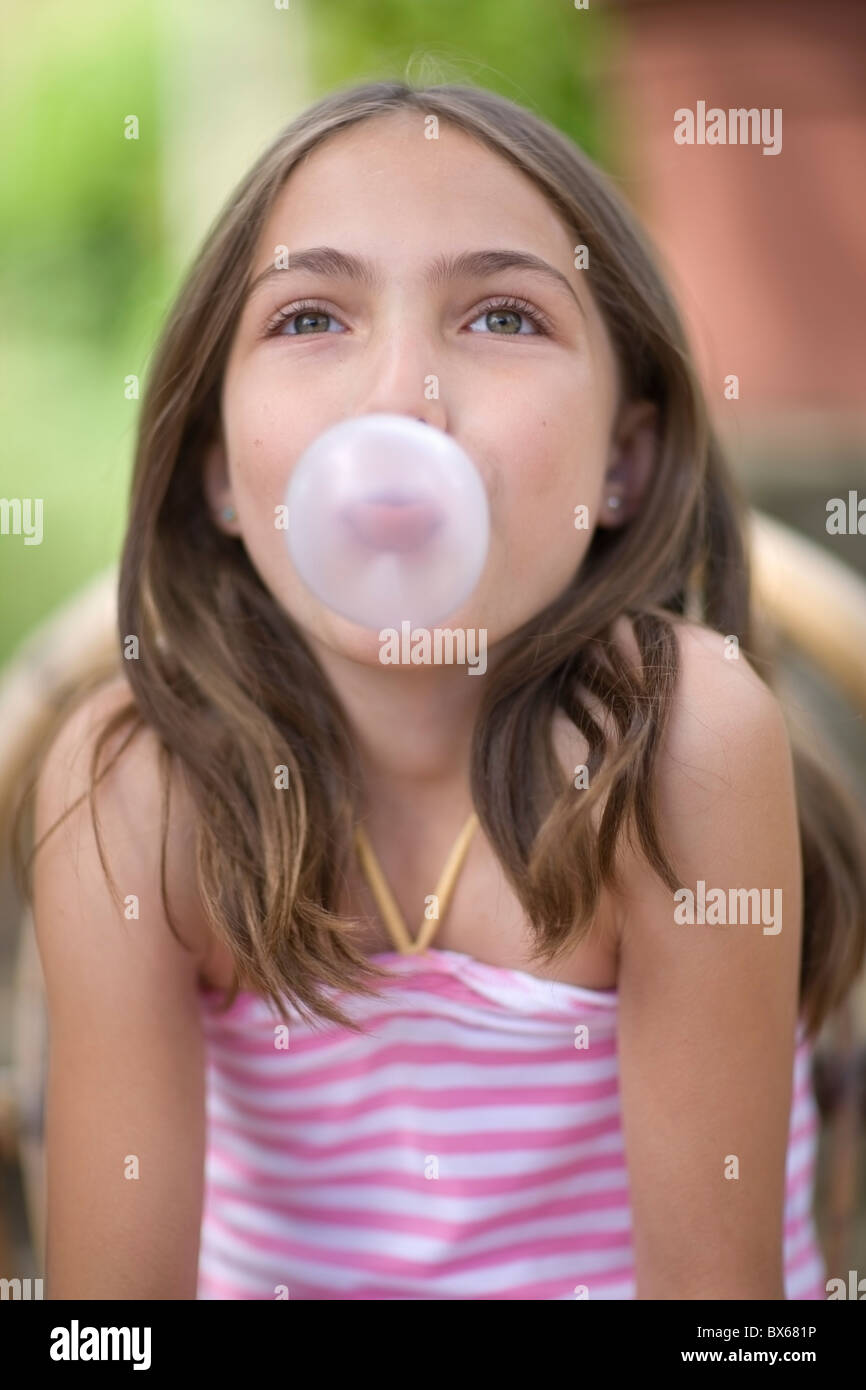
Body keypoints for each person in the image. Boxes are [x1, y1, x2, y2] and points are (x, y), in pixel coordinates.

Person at [21, 79, 866, 1300]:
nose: (400, 395)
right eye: (311, 318)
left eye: (503, 318)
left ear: (621, 462)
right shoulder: (139, 796)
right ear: (215, 469)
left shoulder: (677, 747)